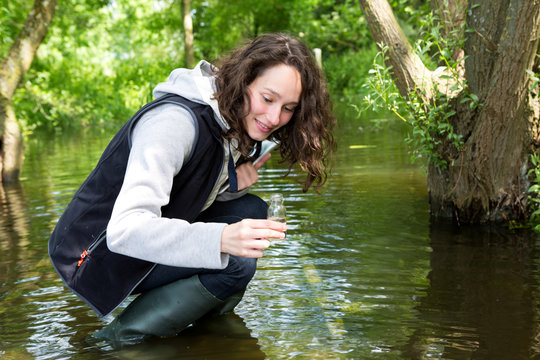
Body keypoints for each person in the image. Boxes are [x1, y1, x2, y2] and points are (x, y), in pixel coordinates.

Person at [48, 32, 336, 346]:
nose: (274, 118)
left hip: (147, 242)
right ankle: (116, 342)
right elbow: (125, 231)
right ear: (243, 81)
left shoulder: (229, 118)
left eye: (288, 108)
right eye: (267, 99)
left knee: (251, 212)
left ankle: (205, 326)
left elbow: (190, 195)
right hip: (97, 258)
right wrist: (221, 239)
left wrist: (231, 183)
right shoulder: (173, 124)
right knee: (234, 258)